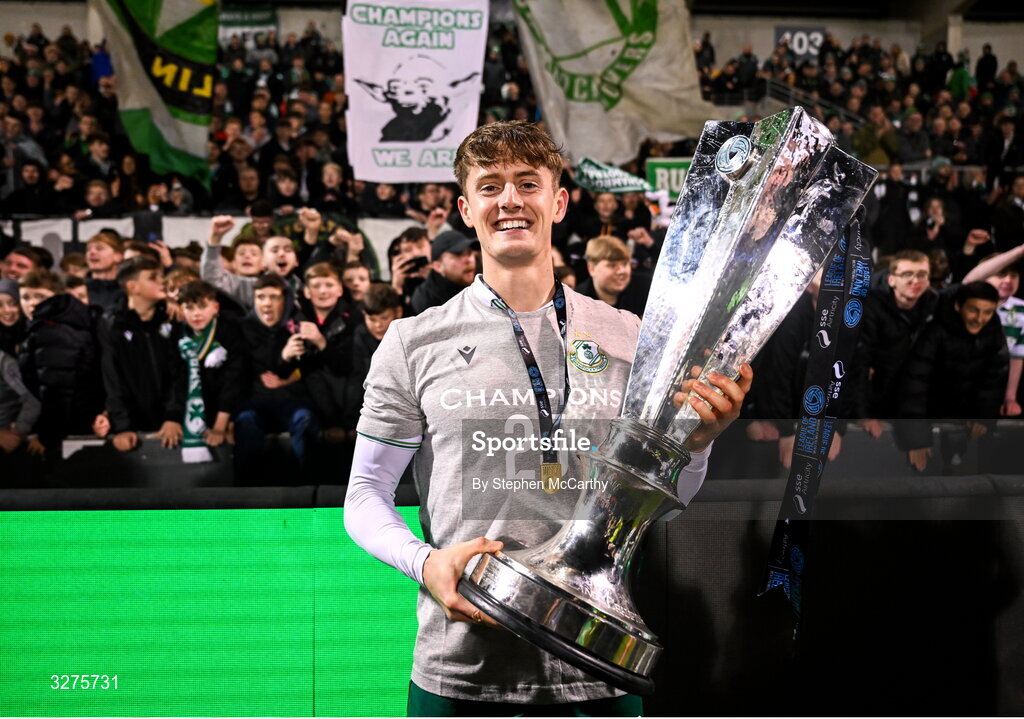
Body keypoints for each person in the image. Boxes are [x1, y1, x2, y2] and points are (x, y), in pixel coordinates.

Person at [344, 121, 751, 714]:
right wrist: (426, 563)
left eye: (527, 183)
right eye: (490, 186)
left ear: (557, 202)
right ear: (466, 209)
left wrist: (699, 444)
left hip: (595, 666)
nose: (510, 199)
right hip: (462, 668)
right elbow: (364, 494)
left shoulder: (631, 336)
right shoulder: (413, 342)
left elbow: (671, 497)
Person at [897, 281, 1009, 471]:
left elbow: (994, 380)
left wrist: (983, 418)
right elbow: (914, 385)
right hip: (929, 420)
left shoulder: (994, 332)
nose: (980, 318)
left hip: (962, 424)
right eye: (973, 310)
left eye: (988, 312)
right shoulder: (934, 332)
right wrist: (915, 438)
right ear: (958, 306)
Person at [234, 273, 320, 479]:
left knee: (305, 419)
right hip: (256, 401)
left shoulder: (297, 326)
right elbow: (252, 373)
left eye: (274, 297)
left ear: (285, 300)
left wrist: (288, 362)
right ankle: (246, 499)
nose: (266, 304)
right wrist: (283, 357)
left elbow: (308, 368)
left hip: (291, 400)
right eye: (261, 297)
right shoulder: (243, 328)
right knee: (246, 421)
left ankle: (307, 495)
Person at [97, 257, 183, 452]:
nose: (162, 281)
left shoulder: (173, 317)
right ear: (133, 287)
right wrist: (123, 426)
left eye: (162, 275)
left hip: (174, 424)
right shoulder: (112, 324)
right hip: (134, 427)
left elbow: (179, 372)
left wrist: (173, 416)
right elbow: (112, 378)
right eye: (153, 277)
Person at [854, 250, 939, 438]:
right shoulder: (869, 304)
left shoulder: (933, 302)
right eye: (907, 274)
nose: (915, 281)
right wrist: (863, 415)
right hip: (872, 390)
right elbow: (860, 362)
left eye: (922, 275)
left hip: (908, 389)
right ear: (892, 279)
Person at [17, 268, 102, 452]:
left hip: (67, 431)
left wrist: (47, 436)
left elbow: (57, 388)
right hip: (69, 427)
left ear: (56, 296)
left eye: (39, 296)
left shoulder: (54, 330)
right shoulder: (46, 326)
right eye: (25, 297)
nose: (31, 303)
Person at [172, 280, 248, 462]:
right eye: (189, 308)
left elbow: (235, 379)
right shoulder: (179, 335)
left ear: (215, 307)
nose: (196, 313)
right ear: (181, 311)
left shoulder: (231, 331)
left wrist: (220, 425)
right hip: (196, 410)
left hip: (229, 410)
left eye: (202, 306)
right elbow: (175, 379)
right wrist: (172, 417)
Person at [575, 235, 649, 317]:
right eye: (612, 265)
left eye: (625, 264)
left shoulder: (645, 288)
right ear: (592, 269)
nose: (621, 271)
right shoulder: (578, 303)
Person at [409, 230, 478, 315]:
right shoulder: (425, 299)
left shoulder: (482, 284)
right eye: (458, 255)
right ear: (438, 266)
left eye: (469, 253)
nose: (469, 260)